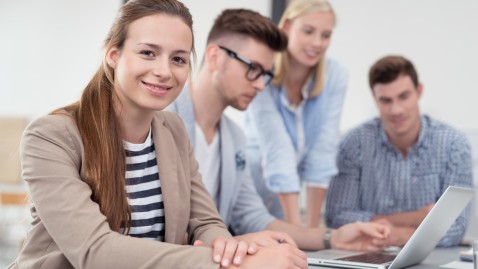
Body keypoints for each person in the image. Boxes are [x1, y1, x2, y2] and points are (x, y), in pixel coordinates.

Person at [8, 1, 308, 268]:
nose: (164, 71)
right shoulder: (51, 136)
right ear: (113, 55)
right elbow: (94, 251)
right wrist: (239, 264)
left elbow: (206, 221)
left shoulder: (172, 130)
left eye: (178, 59)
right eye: (148, 53)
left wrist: (229, 249)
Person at [167, 8, 389, 252]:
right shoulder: (161, 120)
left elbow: (255, 218)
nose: (261, 85)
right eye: (253, 68)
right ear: (214, 57)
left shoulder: (234, 140)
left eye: (265, 74)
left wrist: (332, 238)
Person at [325, 55, 473, 247]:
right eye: (386, 100)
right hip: (369, 254)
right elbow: (336, 217)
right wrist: (419, 217)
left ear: (419, 91)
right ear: (375, 100)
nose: (396, 110)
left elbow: (456, 227)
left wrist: (398, 235)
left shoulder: (453, 145)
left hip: (432, 258)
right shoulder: (354, 144)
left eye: (404, 96)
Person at [243, 0, 347, 227]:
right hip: (249, 196)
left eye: (326, 35)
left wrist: (310, 230)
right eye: (308, 31)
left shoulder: (335, 76)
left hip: (286, 201)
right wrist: (299, 235)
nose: (317, 43)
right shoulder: (264, 73)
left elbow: (323, 150)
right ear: (287, 27)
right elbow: (277, 151)